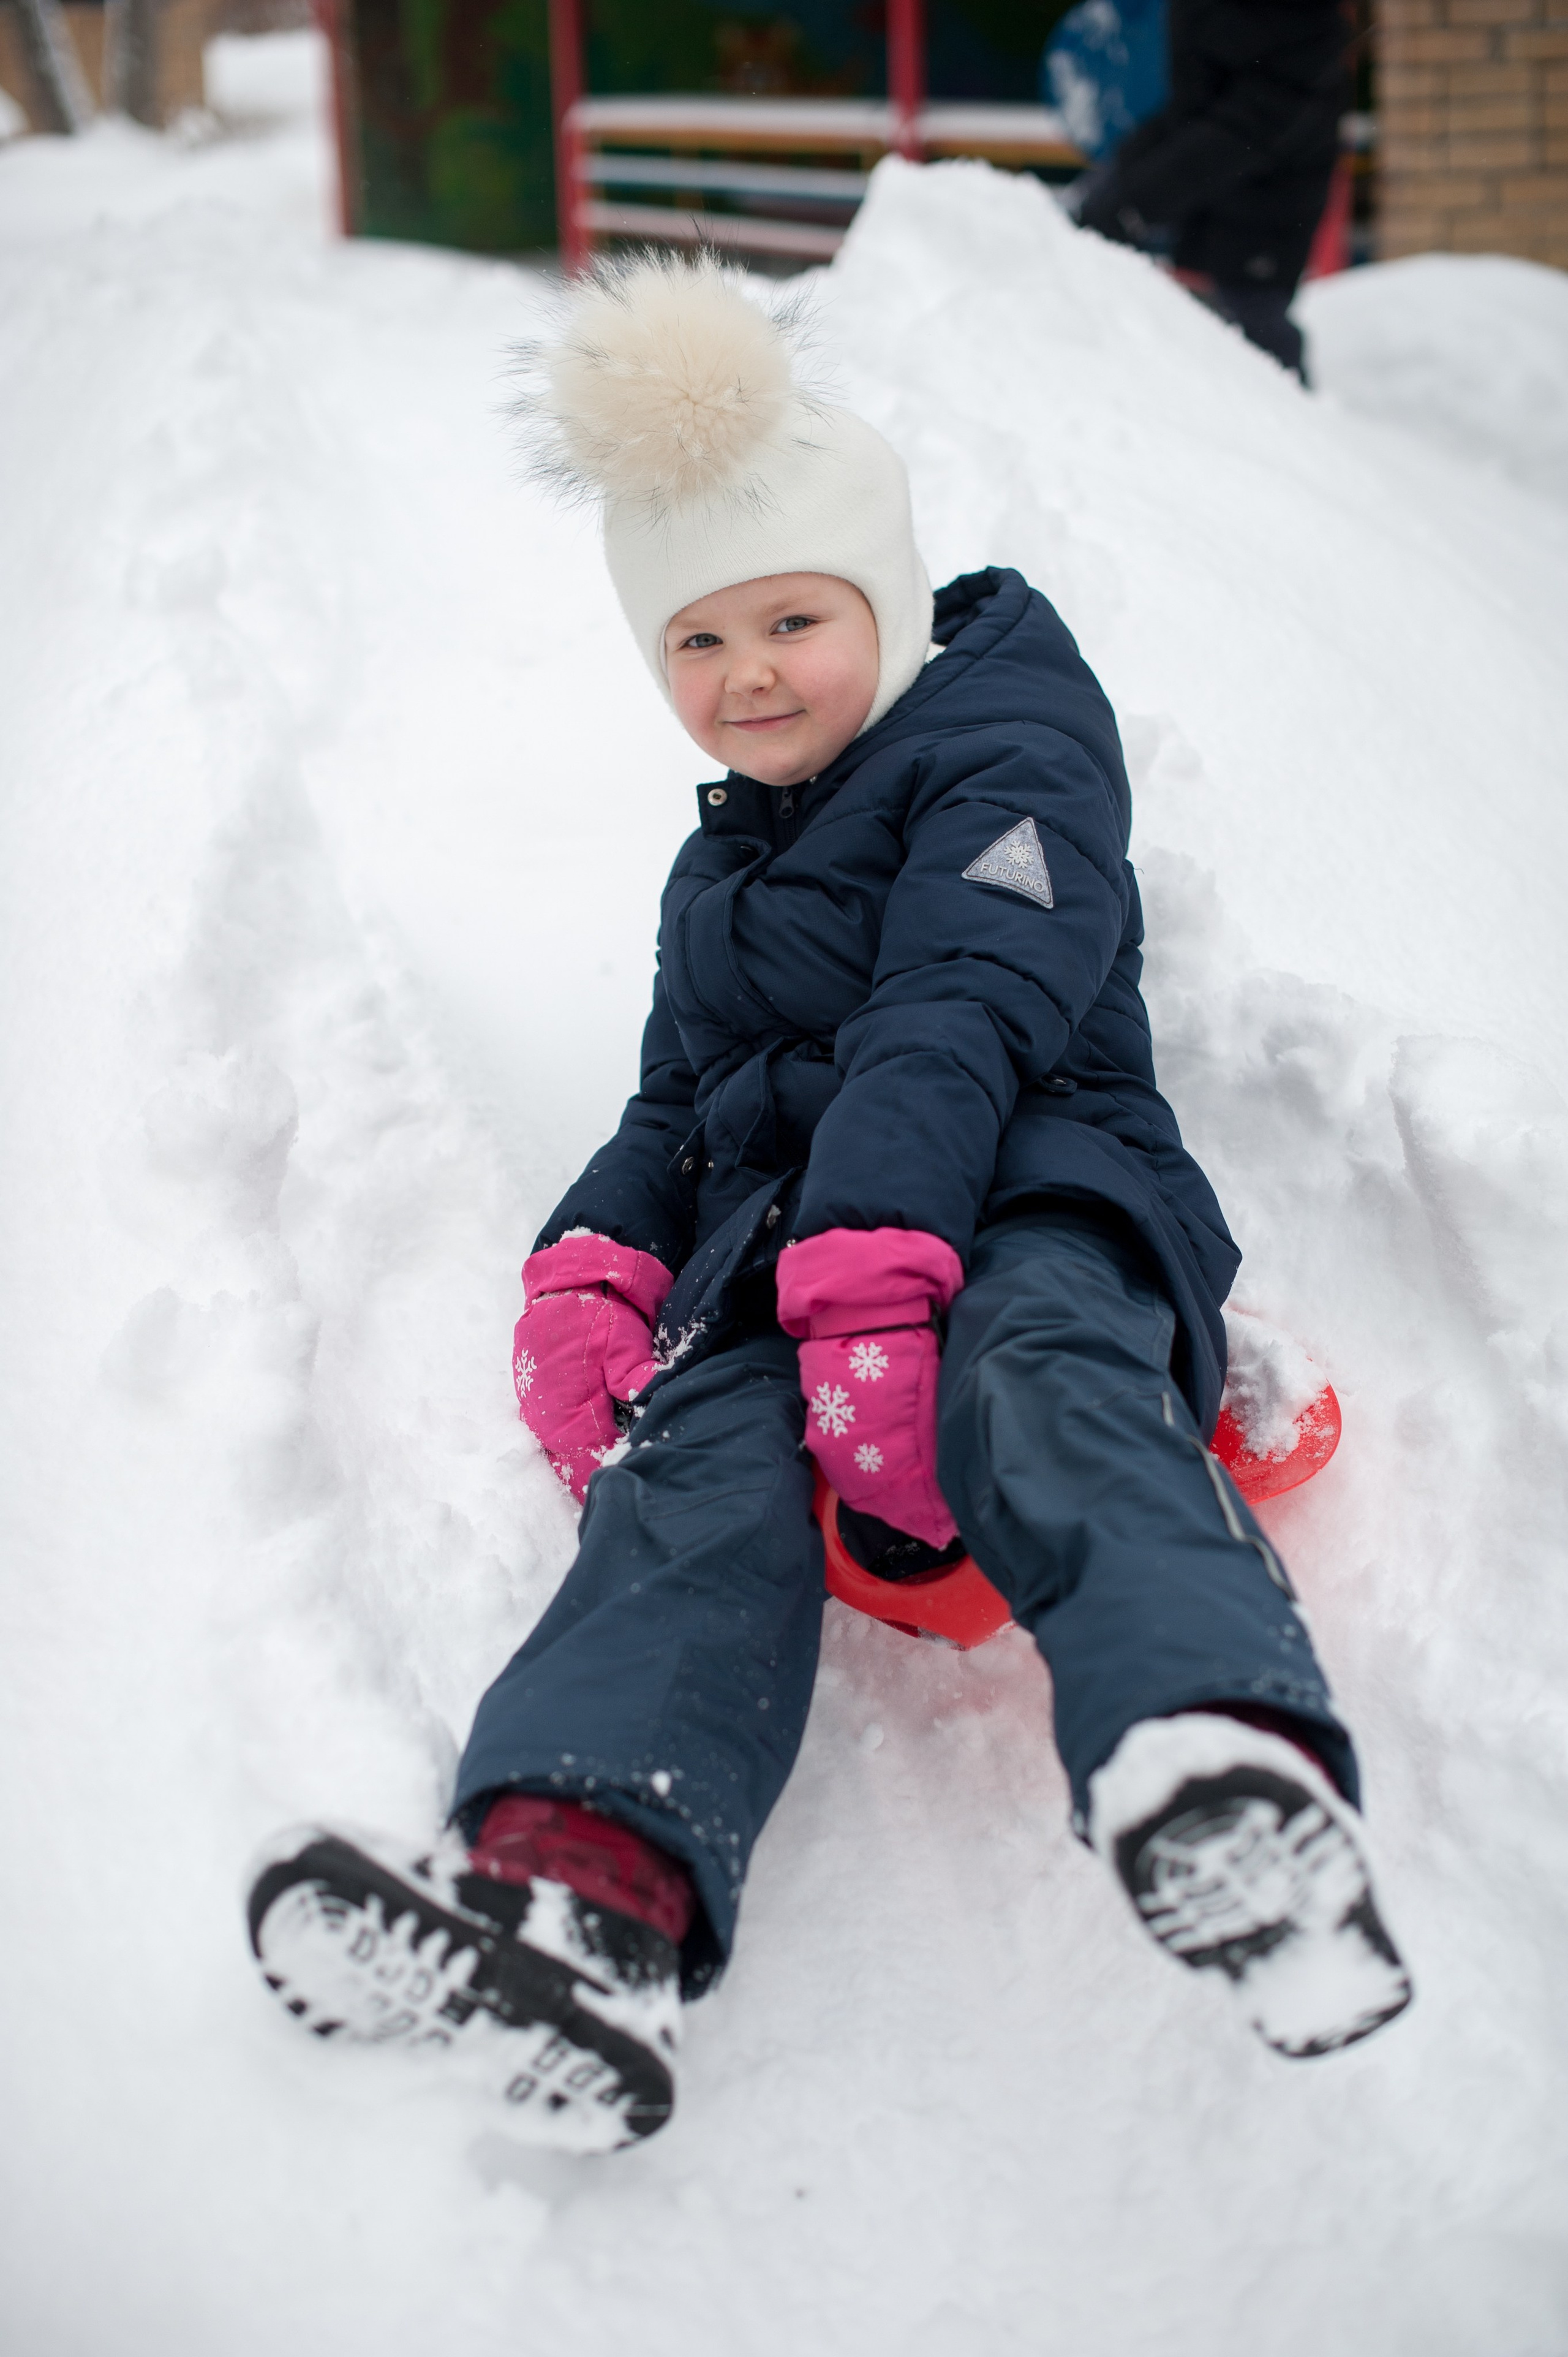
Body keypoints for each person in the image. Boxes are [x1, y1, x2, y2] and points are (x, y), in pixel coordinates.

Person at [246, 255, 1410, 2154]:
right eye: (697, 641)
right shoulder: (713, 872)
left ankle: (1222, 1764)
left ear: (884, 595)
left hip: (1041, 1186)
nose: (750, 673)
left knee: (1044, 1371)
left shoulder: (1009, 750)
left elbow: (964, 1002)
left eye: (793, 616)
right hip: (798, 1268)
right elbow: (675, 1104)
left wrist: (876, 1273)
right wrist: (593, 1265)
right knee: (689, 1469)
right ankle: (581, 1887)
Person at [1072, 0, 1352, 380]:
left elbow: (1248, 128)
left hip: (1264, 221)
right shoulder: (1209, 12)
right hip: (1202, 221)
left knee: (1256, 345)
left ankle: (1289, 411)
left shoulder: (1301, 22)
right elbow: (1190, 109)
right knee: (1195, 350)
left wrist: (1136, 201)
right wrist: (1119, 178)